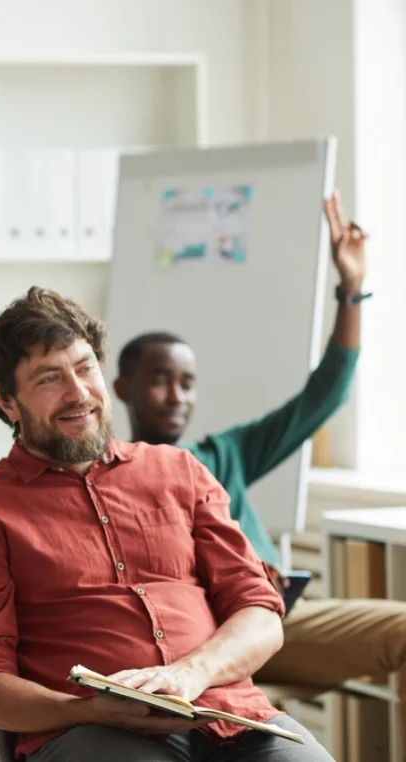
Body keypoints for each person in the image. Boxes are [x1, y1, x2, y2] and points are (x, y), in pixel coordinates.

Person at [0, 286, 334, 761]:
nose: (78, 393)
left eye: (85, 368)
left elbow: (262, 617)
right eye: (48, 379)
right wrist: (86, 710)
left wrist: (190, 673)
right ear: (7, 401)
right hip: (91, 735)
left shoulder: (180, 471)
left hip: (231, 718)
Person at [113, 192, 406, 695]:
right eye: (160, 379)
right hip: (210, 638)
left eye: (188, 381)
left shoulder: (226, 454)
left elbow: (324, 395)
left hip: (286, 618)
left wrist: (351, 289)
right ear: (123, 389)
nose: (177, 396)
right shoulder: (110, 480)